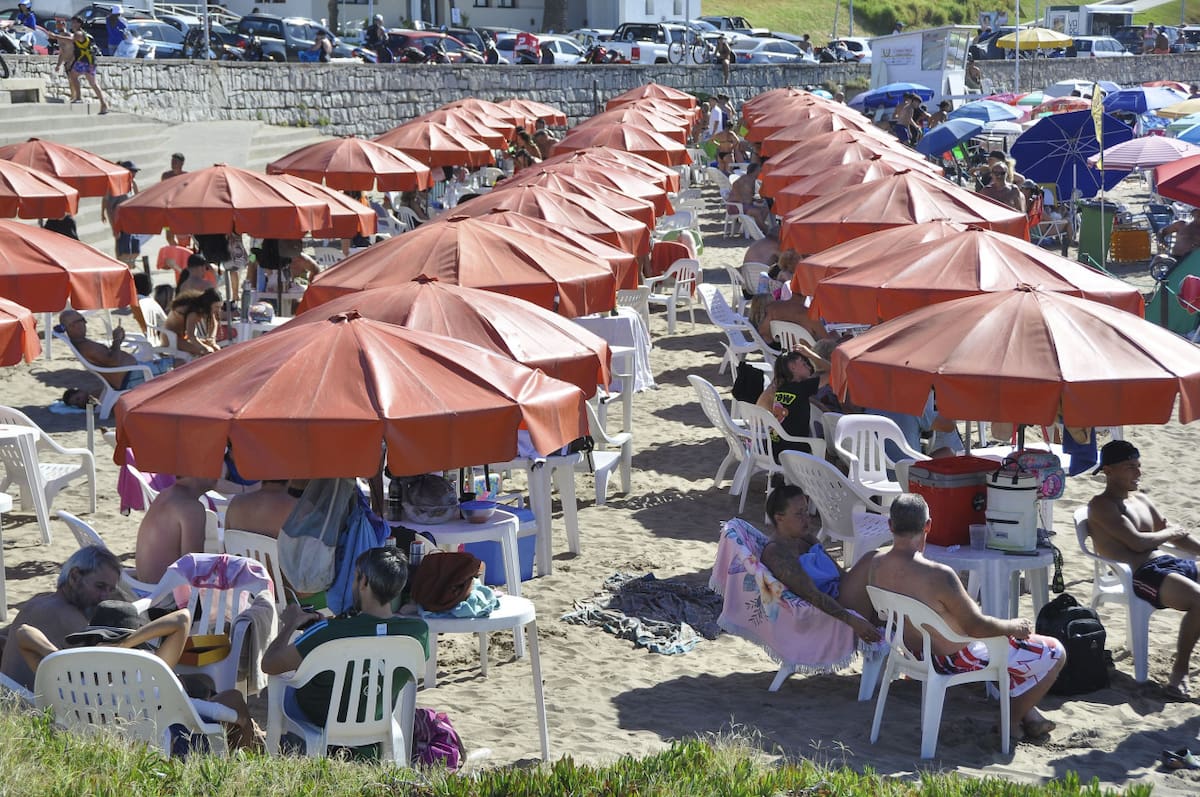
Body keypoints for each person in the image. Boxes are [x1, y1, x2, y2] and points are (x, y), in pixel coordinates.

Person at [869, 493, 1066, 740]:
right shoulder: (938, 575)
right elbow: (977, 627)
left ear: (890, 525)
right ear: (928, 526)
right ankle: (1010, 722)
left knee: (1008, 648)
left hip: (916, 653)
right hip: (955, 658)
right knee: (1055, 652)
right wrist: (1013, 626)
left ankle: (1030, 716)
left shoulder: (876, 565)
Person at [13, 600, 262, 750]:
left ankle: (257, 741)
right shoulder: (147, 671)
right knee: (233, 700)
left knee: (226, 703)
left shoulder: (68, 680)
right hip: (163, 753)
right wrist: (124, 644)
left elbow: (24, 633)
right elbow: (182, 618)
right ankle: (250, 763)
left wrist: (62, 658)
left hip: (92, 749)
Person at [261, 547, 429, 731]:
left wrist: (291, 624)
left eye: (355, 577)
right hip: (377, 720)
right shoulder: (417, 633)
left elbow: (269, 664)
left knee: (284, 687)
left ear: (364, 582)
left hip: (322, 721)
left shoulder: (327, 633)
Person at [1087, 441, 1200, 695]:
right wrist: (1170, 532)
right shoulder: (1102, 505)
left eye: (1138, 466)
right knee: (1198, 600)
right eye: (1130, 467)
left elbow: (1173, 534)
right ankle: (1179, 673)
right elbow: (1137, 542)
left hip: (1168, 563)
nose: (1138, 473)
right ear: (1108, 471)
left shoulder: (1140, 499)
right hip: (1142, 575)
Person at [759, 485, 882, 642]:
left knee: (889, 587)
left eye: (806, 511)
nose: (806, 518)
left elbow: (841, 574)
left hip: (844, 596)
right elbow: (811, 595)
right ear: (779, 518)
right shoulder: (776, 552)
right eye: (799, 514)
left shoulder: (806, 538)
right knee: (872, 560)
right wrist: (853, 621)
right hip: (831, 612)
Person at [0, 545, 122, 689]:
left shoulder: (39, 601)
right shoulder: (68, 617)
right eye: (100, 586)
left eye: (110, 590)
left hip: (11, 694)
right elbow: (99, 678)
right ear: (74, 577)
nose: (105, 596)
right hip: (30, 700)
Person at [134, 476, 218, 584]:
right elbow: (193, 569)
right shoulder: (191, 507)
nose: (219, 474)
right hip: (165, 591)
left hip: (143, 586)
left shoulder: (165, 494)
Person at [58, 309, 168, 390]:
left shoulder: (82, 344)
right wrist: (116, 340)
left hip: (133, 372)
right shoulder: (86, 347)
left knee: (171, 363)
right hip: (131, 377)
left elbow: (108, 358)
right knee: (176, 365)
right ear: (73, 326)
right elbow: (114, 362)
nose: (85, 323)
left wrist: (118, 341)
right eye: (82, 320)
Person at [755, 346, 826, 459]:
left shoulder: (777, 387)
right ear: (792, 367)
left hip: (772, 448)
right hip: (794, 453)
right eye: (804, 364)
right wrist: (811, 354)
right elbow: (835, 371)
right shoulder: (803, 388)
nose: (809, 366)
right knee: (825, 444)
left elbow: (759, 408)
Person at [51, 16, 108, 113]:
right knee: (93, 83)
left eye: (74, 23)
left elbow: (71, 40)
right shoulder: (83, 33)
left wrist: (55, 36)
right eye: (72, 22)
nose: (72, 25)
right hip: (90, 61)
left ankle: (78, 97)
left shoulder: (79, 33)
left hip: (84, 61)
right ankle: (103, 104)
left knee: (73, 75)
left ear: (79, 24)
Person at [224, 480, 298, 538]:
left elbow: (226, 542)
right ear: (291, 479)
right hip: (275, 553)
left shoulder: (236, 502)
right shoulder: (296, 507)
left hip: (239, 552)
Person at [163, 287, 221, 357]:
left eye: (220, 307)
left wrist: (211, 339)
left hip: (184, 337)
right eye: (216, 307)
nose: (218, 310)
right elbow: (191, 335)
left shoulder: (207, 308)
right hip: (171, 338)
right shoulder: (193, 311)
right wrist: (204, 348)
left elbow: (213, 324)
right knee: (208, 351)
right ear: (208, 304)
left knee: (216, 348)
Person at [101, 160, 138, 264]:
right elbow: (108, 204)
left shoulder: (133, 183)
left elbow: (137, 198)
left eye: (135, 172)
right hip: (120, 221)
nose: (134, 174)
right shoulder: (114, 185)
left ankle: (128, 263)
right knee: (122, 247)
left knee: (133, 247)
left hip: (131, 221)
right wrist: (113, 227)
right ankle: (122, 264)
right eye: (132, 171)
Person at [727, 161, 771, 230]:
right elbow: (747, 200)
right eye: (759, 171)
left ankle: (757, 229)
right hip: (735, 206)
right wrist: (755, 201)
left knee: (765, 209)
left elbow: (746, 196)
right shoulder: (748, 180)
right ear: (755, 171)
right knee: (757, 212)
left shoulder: (747, 178)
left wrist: (755, 200)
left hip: (738, 204)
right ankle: (763, 230)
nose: (760, 173)